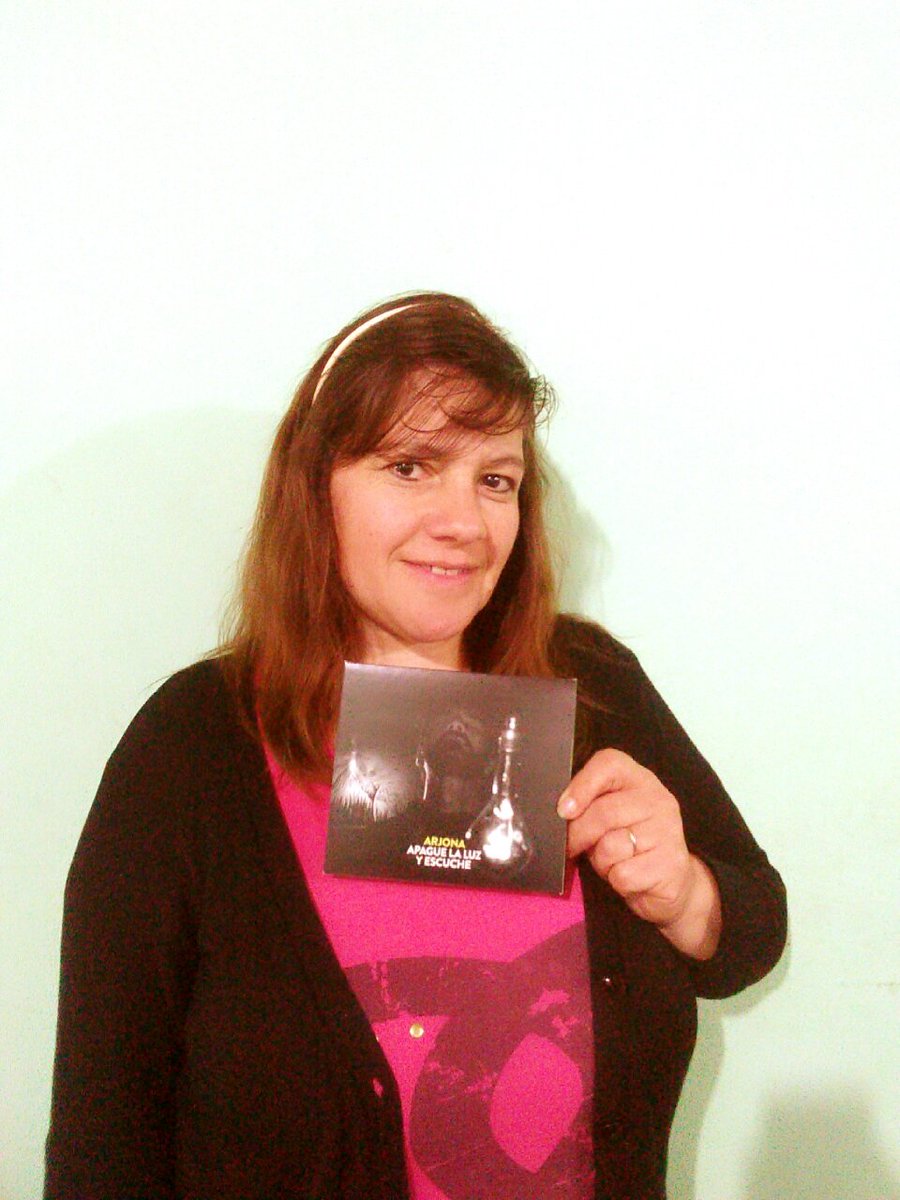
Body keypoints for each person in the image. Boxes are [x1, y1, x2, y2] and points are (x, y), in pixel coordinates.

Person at [45, 293, 787, 1200]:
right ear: (316, 486)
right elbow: (102, 1134)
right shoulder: (193, 746)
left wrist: (686, 894)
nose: (463, 521)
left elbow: (751, 931)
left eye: (495, 480)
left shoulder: (595, 689)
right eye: (410, 466)